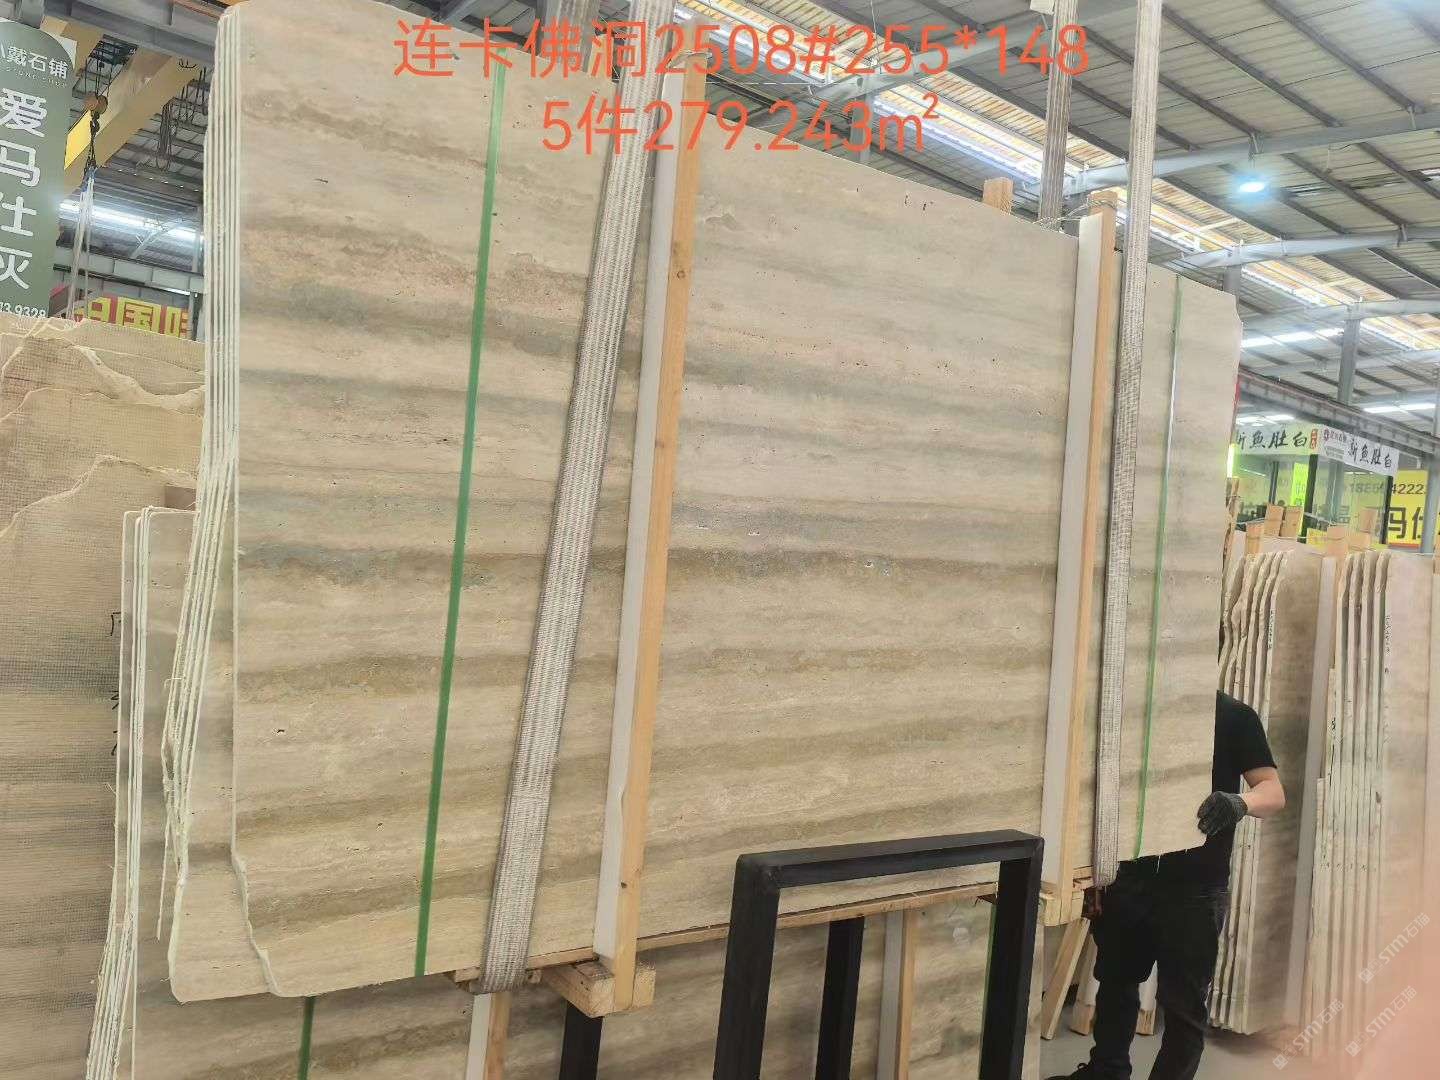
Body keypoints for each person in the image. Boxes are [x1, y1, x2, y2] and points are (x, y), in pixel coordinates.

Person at [1048, 691, 1286, 1080]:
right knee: (1116, 984)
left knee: (1183, 1007)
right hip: (1131, 875)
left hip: (1196, 887)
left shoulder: (1233, 717)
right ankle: (1106, 1071)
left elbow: (1273, 792)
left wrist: (1240, 802)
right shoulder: (1134, 706)